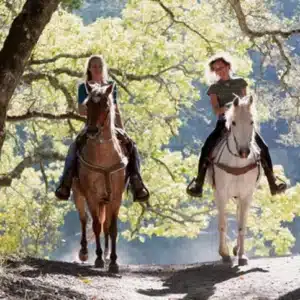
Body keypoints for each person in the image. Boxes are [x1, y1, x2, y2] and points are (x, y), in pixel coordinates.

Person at [186, 53, 287, 197]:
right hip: (224, 123)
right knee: (206, 147)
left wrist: (242, 110)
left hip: (242, 123)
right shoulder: (214, 88)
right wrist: (230, 108)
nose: (219, 71)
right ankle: (199, 183)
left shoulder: (240, 82)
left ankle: (273, 182)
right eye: (216, 69)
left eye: (221, 67)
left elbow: (246, 103)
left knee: (263, 147)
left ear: (228, 67)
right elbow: (216, 110)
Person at [55, 55, 150, 203]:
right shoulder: (83, 87)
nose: (97, 69)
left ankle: (136, 181)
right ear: (89, 68)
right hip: (91, 126)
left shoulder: (111, 85)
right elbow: (80, 109)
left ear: (103, 68)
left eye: (99, 66)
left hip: (110, 126)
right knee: (74, 146)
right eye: (94, 66)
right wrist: (95, 109)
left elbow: (116, 109)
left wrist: (122, 129)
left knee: (131, 145)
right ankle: (65, 182)